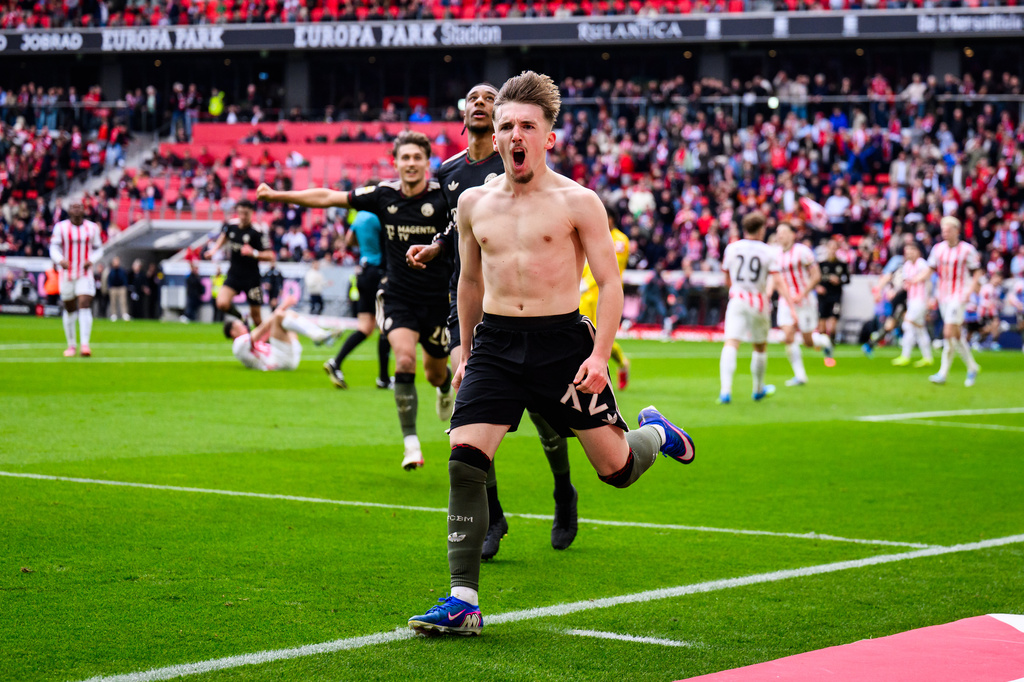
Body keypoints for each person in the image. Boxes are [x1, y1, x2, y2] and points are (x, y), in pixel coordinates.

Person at [407, 71, 694, 638]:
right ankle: (463, 600)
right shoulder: (472, 202)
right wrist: (464, 347)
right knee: (466, 457)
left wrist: (601, 355)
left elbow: (610, 286)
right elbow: (467, 281)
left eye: (526, 127)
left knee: (614, 470)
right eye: (507, 124)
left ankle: (656, 434)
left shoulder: (579, 202)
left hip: (564, 344)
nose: (514, 135)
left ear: (548, 139)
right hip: (494, 342)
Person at [405, 83, 579, 558]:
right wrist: (437, 247)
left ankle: (564, 493)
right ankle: (493, 517)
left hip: (531, 314)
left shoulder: (519, 160)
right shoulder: (449, 172)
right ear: (464, 114)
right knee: (470, 411)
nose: (480, 104)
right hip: (471, 303)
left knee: (546, 415)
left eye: (488, 98)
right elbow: (453, 225)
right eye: (473, 99)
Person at [257, 131, 453, 471]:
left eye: (416, 157)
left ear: (427, 162)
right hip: (398, 297)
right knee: (404, 361)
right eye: (404, 158)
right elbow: (327, 197)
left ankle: (444, 387)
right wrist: (279, 196)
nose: (410, 163)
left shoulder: (444, 197)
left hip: (438, 300)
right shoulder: (382, 195)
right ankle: (411, 444)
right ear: (395, 162)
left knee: (435, 373)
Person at [718, 212, 785, 404]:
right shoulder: (767, 251)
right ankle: (757, 389)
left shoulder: (732, 248)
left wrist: (735, 289)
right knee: (760, 346)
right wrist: (789, 301)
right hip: (758, 300)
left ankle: (725, 391)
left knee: (731, 343)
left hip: (737, 297)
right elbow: (777, 279)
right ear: (761, 229)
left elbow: (726, 277)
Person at [323, 210, 392, 390]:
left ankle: (336, 362)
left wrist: (366, 245)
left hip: (363, 271)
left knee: (365, 327)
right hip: (379, 273)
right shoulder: (380, 216)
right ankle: (383, 378)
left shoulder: (359, 216)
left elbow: (349, 240)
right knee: (385, 325)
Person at [915, 216, 982, 387]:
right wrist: (914, 280)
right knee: (956, 335)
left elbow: (977, 273)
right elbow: (929, 270)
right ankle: (972, 367)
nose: (944, 232)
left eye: (948, 229)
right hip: (943, 295)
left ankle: (942, 373)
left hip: (959, 295)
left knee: (947, 332)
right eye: (943, 229)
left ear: (956, 231)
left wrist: (970, 290)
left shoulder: (967, 250)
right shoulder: (938, 249)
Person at [775, 223, 835, 388]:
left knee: (808, 342)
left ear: (792, 235)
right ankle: (800, 376)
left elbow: (816, 276)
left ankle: (824, 341)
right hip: (786, 301)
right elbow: (774, 279)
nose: (780, 236)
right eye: (778, 233)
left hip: (805, 300)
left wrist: (802, 293)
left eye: (783, 232)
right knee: (788, 336)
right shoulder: (775, 254)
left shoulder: (802, 252)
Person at [581, 207, 631, 389]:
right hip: (585, 294)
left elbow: (610, 270)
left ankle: (621, 363)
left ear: (611, 219)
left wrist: (586, 283)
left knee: (597, 336)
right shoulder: (592, 234)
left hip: (604, 294)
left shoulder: (619, 240)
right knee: (583, 336)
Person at [223, 293, 340, 371]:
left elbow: (264, 334)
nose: (244, 326)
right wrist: (282, 306)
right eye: (239, 325)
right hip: (278, 361)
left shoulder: (246, 344)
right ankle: (318, 335)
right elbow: (262, 329)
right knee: (279, 315)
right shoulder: (238, 344)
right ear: (233, 332)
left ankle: (319, 335)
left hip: (286, 357)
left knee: (287, 316)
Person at [206, 199, 274, 327]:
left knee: (257, 317)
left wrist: (253, 253)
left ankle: (267, 343)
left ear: (251, 213)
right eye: (240, 213)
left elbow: (270, 255)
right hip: (234, 275)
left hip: (252, 278)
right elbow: (224, 236)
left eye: (246, 214)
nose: (242, 217)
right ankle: (242, 318)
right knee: (222, 303)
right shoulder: (231, 226)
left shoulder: (258, 232)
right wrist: (214, 249)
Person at [49, 200, 103, 357]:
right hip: (66, 273)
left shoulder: (92, 228)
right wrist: (60, 260)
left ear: (84, 210)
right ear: (69, 211)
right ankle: (71, 345)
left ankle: (85, 345)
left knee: (84, 303)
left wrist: (91, 260)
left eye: (79, 206)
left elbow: (99, 249)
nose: (77, 209)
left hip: (84, 272)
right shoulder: (61, 227)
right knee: (69, 308)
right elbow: (53, 247)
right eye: (74, 206)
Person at [890, 241, 934, 367]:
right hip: (911, 300)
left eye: (911, 250)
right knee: (919, 328)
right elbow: (906, 283)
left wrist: (930, 298)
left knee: (907, 324)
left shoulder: (922, 264)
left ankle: (905, 355)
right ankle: (927, 358)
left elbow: (929, 281)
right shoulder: (907, 265)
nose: (909, 253)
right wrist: (894, 291)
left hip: (921, 300)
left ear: (917, 252)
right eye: (907, 251)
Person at [816, 237, 849, 342]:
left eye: (835, 248)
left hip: (835, 296)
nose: (832, 250)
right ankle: (823, 344)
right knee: (821, 325)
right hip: (823, 296)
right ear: (827, 248)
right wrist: (817, 287)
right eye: (831, 247)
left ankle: (831, 344)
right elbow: (814, 279)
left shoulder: (842, 264)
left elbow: (847, 279)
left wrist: (839, 280)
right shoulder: (821, 264)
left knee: (832, 323)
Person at [106, 255, 129, 321]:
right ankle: (114, 314)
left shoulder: (122, 270)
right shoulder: (111, 270)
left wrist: (125, 286)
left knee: (123, 301)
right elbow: (109, 279)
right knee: (113, 302)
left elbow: (124, 278)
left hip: (121, 287)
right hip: (113, 288)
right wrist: (109, 286)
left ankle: (124, 314)